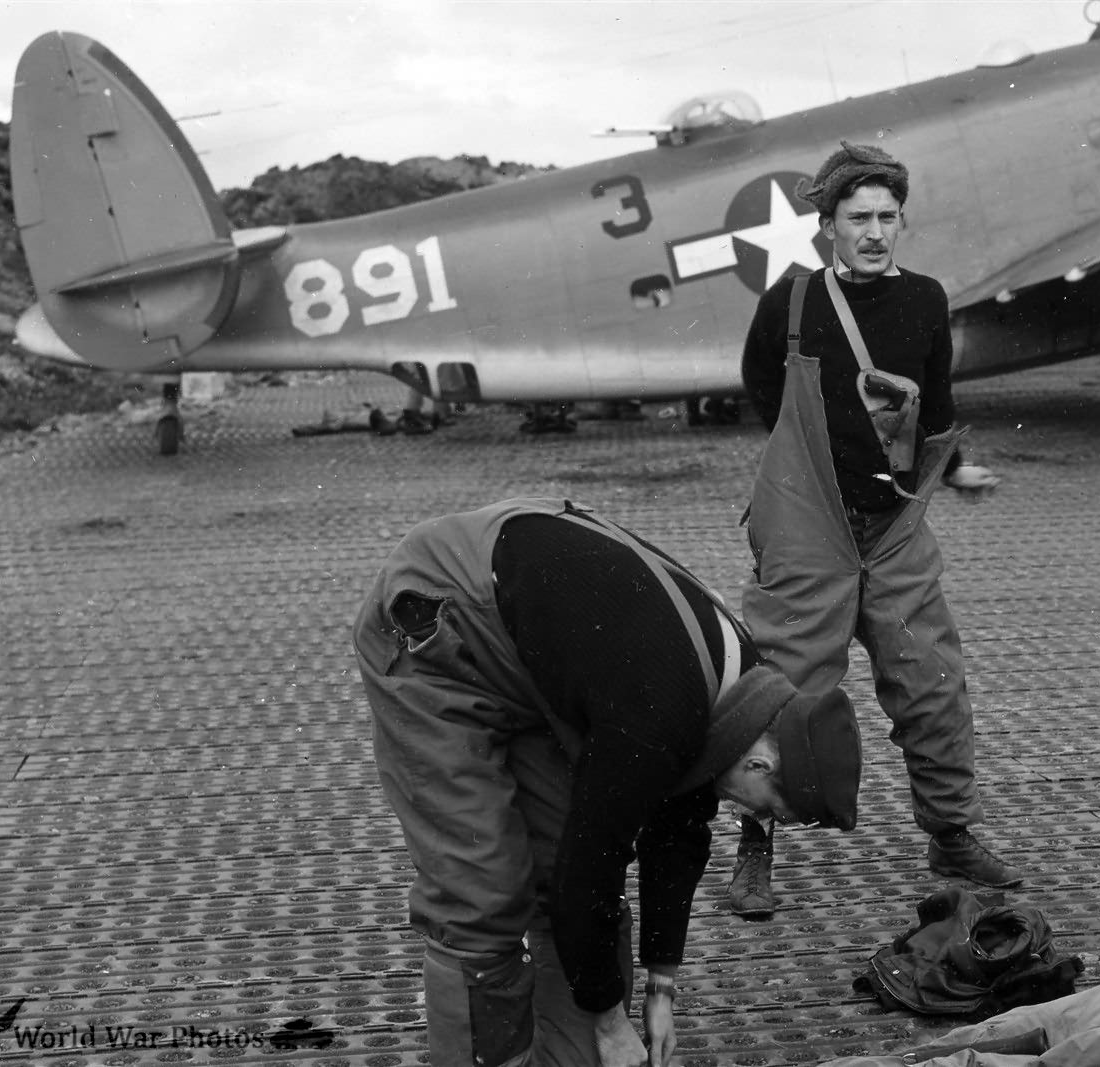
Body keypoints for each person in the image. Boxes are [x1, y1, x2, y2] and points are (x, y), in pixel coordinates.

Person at [352, 497, 862, 1067]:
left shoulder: (743, 694)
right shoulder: (661, 717)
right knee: (482, 893)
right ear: (761, 765)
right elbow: (590, 865)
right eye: (772, 810)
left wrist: (660, 987)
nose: (759, 816)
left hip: (539, 647)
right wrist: (611, 1022)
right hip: (442, 619)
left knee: (558, 869)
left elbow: (679, 830)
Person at [733, 141, 1019, 919]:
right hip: (807, 522)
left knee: (932, 680)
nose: (875, 231)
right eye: (858, 217)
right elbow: (764, 386)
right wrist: (801, 469)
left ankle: (951, 832)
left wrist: (954, 469)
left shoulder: (925, 299)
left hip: (893, 524)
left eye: (888, 217)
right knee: (782, 687)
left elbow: (939, 401)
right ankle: (755, 842)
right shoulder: (790, 304)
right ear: (828, 224)